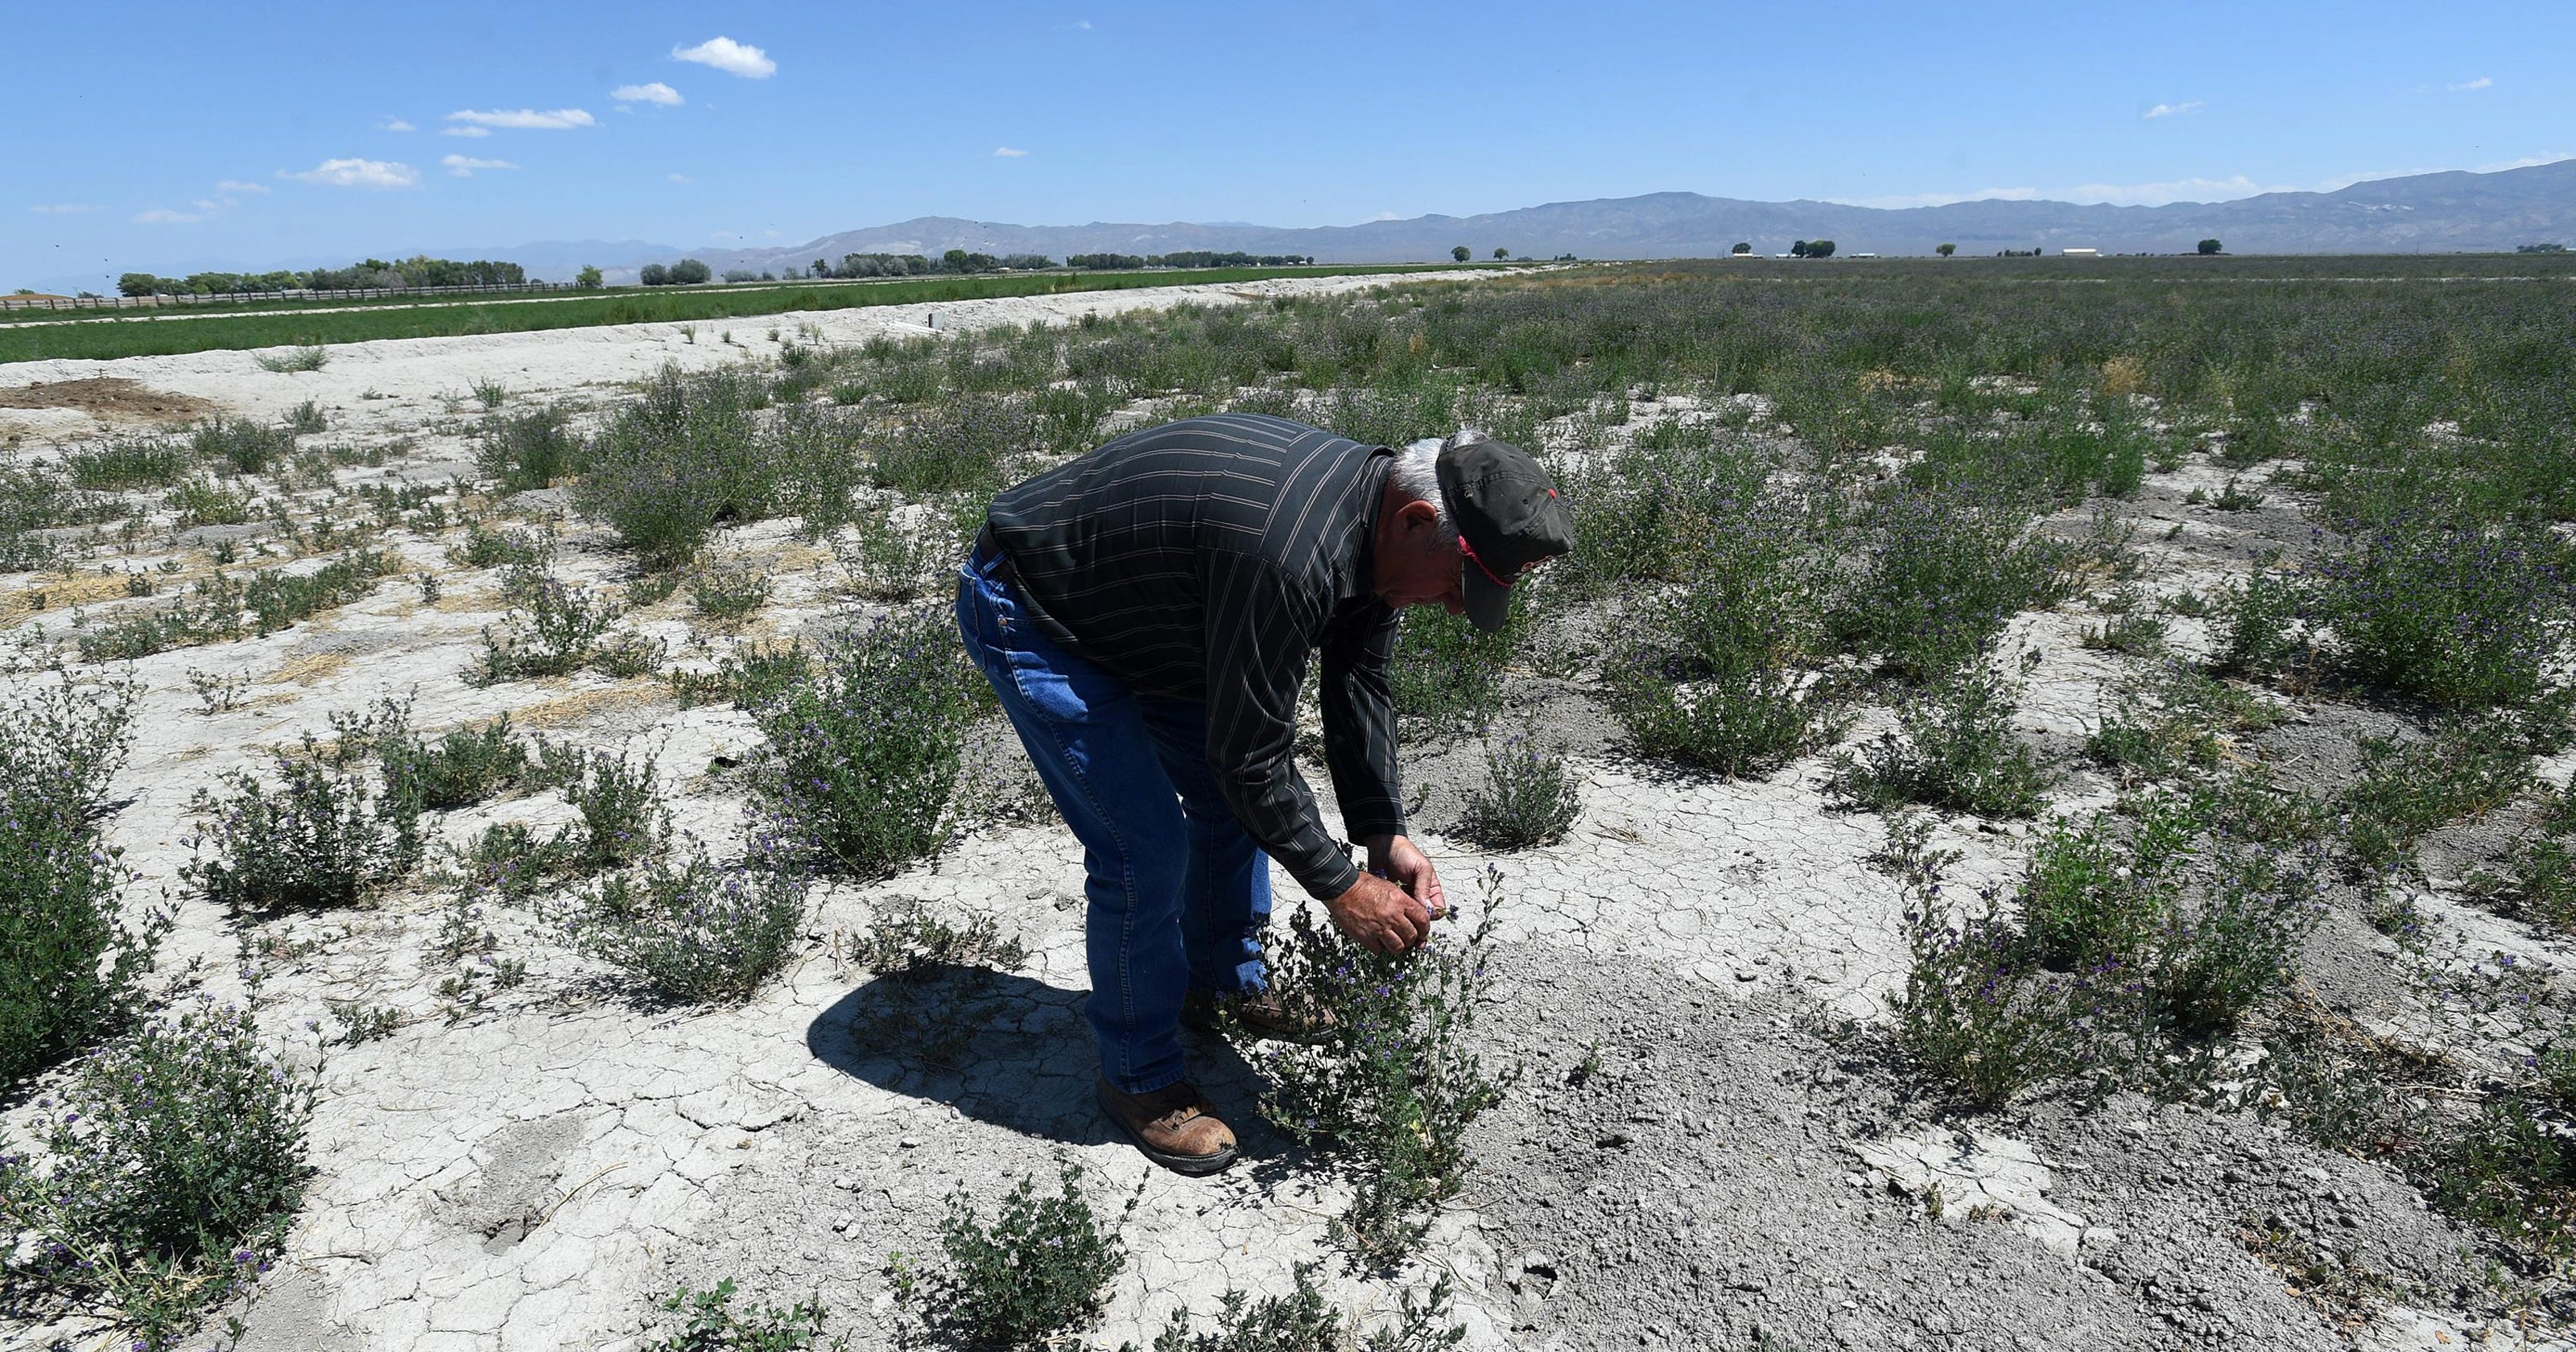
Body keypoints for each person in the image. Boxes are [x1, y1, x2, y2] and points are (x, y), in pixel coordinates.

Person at [955, 413, 1571, 1174]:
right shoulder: (1289, 552)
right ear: (1415, 521)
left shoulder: (1374, 528)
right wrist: (1344, 889)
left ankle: (1222, 984)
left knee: (1224, 805)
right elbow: (1250, 760)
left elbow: (1359, 678)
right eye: (1457, 583)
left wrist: (1384, 833)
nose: (1452, 606)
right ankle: (1138, 1074)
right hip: (1039, 609)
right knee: (1143, 849)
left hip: (1155, 614)